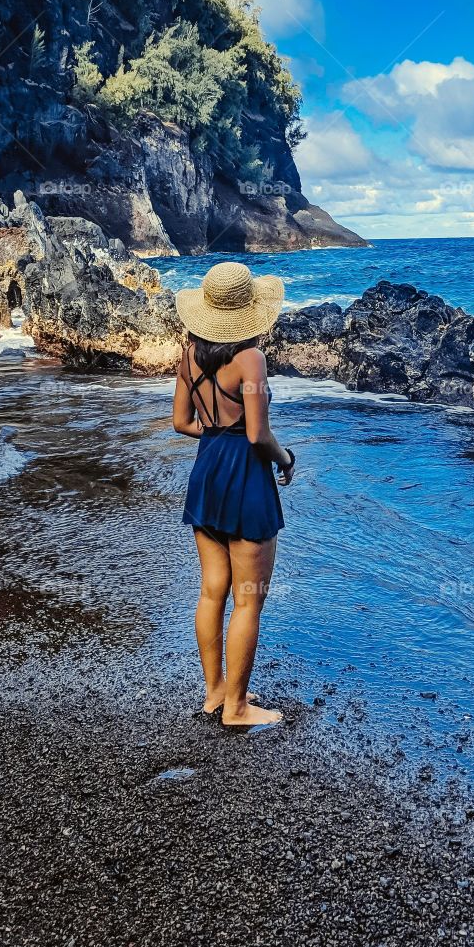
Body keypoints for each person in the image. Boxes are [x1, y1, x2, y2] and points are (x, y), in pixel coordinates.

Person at [172, 261, 295, 727]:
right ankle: (238, 709)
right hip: (245, 478)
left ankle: (216, 693)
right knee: (248, 598)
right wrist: (286, 459)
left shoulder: (188, 355)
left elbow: (181, 422)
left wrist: (217, 436)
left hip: (206, 472)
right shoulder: (250, 360)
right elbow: (258, 435)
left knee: (212, 591)